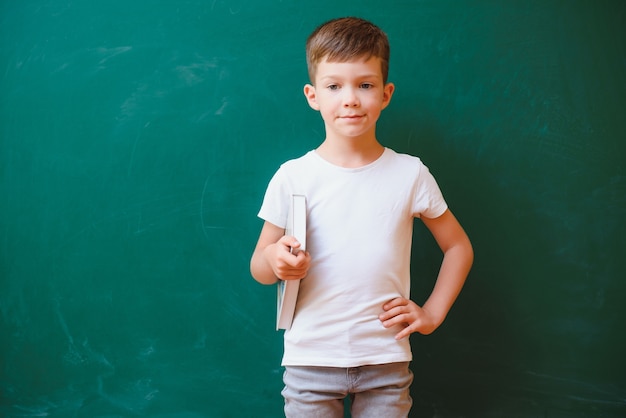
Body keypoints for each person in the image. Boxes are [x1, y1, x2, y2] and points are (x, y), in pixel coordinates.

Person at [250, 17, 473, 418]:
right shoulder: (293, 175)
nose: (350, 99)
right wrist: (274, 260)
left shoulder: (410, 173)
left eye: (365, 85)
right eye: (334, 86)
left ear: (386, 94)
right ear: (312, 95)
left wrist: (432, 313)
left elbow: (457, 246)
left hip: (385, 359)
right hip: (309, 361)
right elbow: (260, 265)